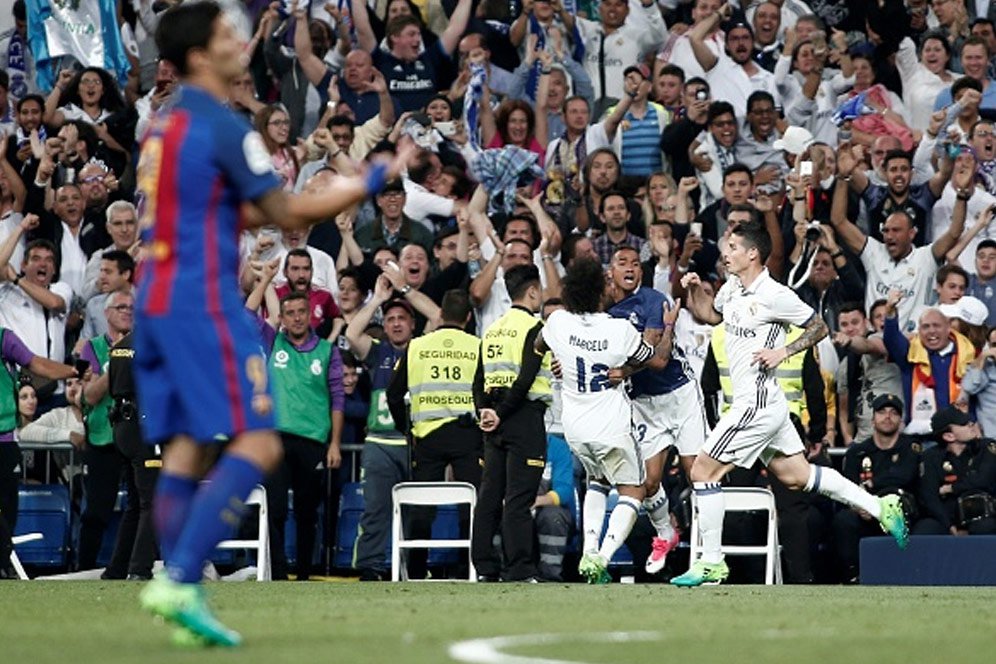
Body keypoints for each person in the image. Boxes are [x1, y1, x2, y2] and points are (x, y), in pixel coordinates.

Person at [135, 2, 410, 647]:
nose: (240, 39)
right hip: (199, 301)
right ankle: (178, 578)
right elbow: (286, 208)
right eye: (227, 33)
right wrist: (370, 176)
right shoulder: (224, 126)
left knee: (185, 447)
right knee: (259, 443)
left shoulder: (163, 125)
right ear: (202, 56)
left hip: (154, 297)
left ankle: (178, 589)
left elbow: (229, 209)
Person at [675, 221, 909, 587]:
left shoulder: (774, 294)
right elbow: (712, 315)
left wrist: (783, 350)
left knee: (702, 472)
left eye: (733, 246)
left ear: (753, 253)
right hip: (770, 407)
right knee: (798, 477)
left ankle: (712, 561)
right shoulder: (733, 288)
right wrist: (693, 293)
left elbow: (817, 327)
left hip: (753, 405)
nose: (726, 252)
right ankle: (880, 506)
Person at [535, 257, 677, 583]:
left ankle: (588, 551)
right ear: (601, 291)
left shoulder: (557, 323)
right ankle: (603, 556)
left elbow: (537, 345)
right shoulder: (619, 329)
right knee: (634, 491)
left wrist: (563, 358)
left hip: (575, 426)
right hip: (610, 424)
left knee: (596, 482)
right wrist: (662, 332)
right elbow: (652, 359)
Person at [606, 246, 703, 575]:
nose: (630, 267)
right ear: (611, 272)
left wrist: (624, 371)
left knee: (696, 474)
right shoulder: (602, 312)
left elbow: (657, 359)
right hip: (644, 404)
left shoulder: (652, 300)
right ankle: (666, 533)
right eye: (623, 263)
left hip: (679, 394)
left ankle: (708, 555)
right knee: (648, 483)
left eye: (636, 263)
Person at [386, 289, 482, 580]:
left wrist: (407, 427)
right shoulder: (478, 346)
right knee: (472, 503)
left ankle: (416, 570)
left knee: (422, 507)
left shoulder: (417, 347)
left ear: (440, 314)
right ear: (468, 317)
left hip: (426, 436)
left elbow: (393, 394)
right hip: (468, 435)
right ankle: (472, 568)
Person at [251, 287, 344, 581]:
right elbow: (246, 314)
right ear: (282, 318)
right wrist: (264, 280)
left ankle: (303, 573)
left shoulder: (328, 351)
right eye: (289, 313)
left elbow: (337, 398)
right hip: (275, 438)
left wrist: (335, 444)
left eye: (301, 312)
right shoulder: (271, 341)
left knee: (307, 512)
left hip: (314, 441)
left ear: (311, 314)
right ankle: (278, 573)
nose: (296, 318)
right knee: (275, 509)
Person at [472, 264, 552, 582]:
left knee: (490, 496)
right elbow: (526, 379)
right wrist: (503, 413)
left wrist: (485, 413)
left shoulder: (491, 329)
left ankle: (486, 568)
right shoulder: (535, 328)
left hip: (493, 418)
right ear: (532, 291)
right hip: (521, 417)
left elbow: (478, 381)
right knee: (519, 498)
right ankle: (520, 568)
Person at [345, 279, 417, 582]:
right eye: (390, 319)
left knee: (416, 511)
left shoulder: (423, 351)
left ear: (413, 324)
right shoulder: (377, 352)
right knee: (375, 509)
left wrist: (407, 290)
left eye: (402, 318)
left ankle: (414, 565)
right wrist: (377, 300)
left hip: (413, 443)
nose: (396, 324)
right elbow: (351, 334)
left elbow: (440, 318)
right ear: (383, 325)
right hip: (379, 443)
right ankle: (370, 566)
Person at [0, 325, 76, 579]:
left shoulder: (3, 338)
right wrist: (75, 370)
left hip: (4, 438)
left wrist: (74, 370)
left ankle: (2, 562)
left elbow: (36, 365)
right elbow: (37, 365)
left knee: (7, 508)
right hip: (4, 439)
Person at [833, 394, 922, 583]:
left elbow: (905, 478)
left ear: (901, 420)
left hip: (901, 510)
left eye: (893, 413)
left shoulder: (911, 448)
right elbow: (847, 487)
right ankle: (852, 576)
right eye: (881, 412)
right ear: (873, 419)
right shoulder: (858, 452)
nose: (887, 416)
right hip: (864, 513)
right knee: (844, 519)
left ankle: (906, 576)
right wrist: (859, 506)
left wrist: (873, 492)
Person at [77, 289, 135, 573]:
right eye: (121, 306)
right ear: (107, 313)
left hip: (137, 434)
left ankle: (137, 566)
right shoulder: (92, 347)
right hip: (103, 435)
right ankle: (82, 567)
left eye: (131, 308)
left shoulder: (143, 344)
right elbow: (89, 395)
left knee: (144, 505)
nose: (127, 311)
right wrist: (118, 363)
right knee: (97, 511)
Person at [103, 326, 160, 581]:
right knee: (152, 502)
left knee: (135, 504)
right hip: (143, 425)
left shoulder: (121, 346)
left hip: (122, 424)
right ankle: (139, 568)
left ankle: (117, 569)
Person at [918, 406, 996, 535]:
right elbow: (929, 496)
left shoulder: (987, 447)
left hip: (983, 513)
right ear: (949, 436)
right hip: (948, 516)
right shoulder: (930, 457)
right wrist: (949, 525)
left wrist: (951, 488)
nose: (971, 424)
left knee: (985, 527)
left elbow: (984, 480)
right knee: (925, 529)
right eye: (963, 424)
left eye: (969, 421)